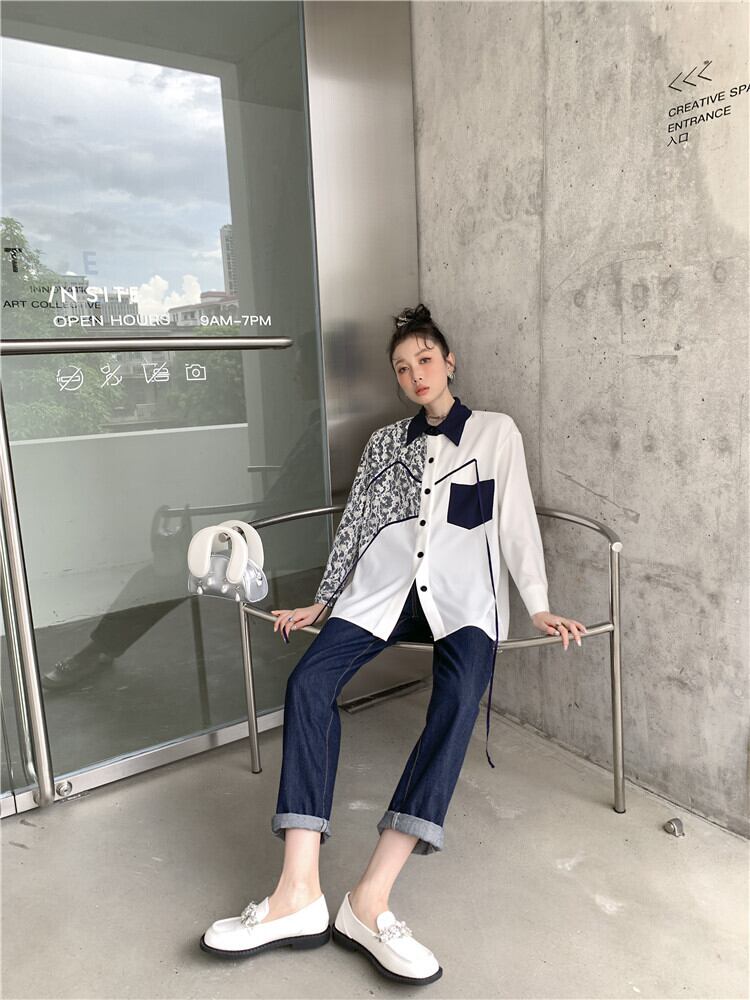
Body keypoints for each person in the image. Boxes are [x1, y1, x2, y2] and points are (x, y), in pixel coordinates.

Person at [199, 303, 586, 985]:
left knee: (459, 697)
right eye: (403, 368)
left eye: (425, 361)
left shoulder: (494, 433)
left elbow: (515, 521)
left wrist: (540, 604)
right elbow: (356, 523)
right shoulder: (385, 445)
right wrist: (323, 600)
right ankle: (297, 894)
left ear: (449, 362)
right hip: (383, 595)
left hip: (463, 601)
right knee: (308, 683)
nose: (415, 375)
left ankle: (369, 899)